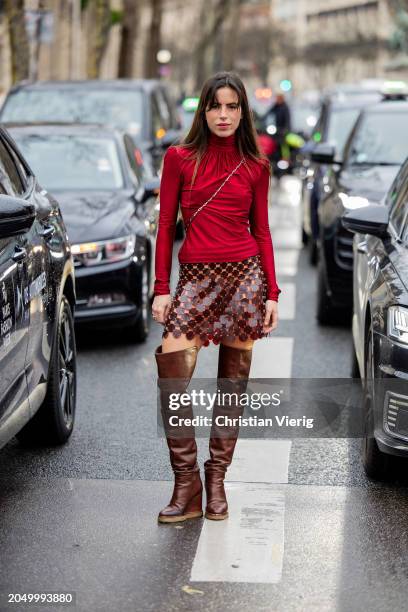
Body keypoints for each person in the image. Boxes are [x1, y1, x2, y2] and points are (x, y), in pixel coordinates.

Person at [152, 71, 281, 524]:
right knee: (172, 372)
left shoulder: (256, 164)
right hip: (196, 278)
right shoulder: (179, 158)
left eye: (231, 107)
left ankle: (217, 479)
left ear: (242, 111)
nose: (222, 115)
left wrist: (272, 293)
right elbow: (166, 224)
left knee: (232, 386)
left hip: (245, 277)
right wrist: (163, 289)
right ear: (202, 110)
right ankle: (185, 483)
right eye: (214, 106)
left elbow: (262, 232)